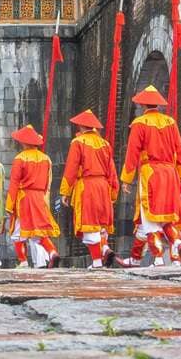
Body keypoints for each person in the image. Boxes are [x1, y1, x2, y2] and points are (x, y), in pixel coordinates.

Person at [119, 85, 181, 268]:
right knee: (167, 217)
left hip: (150, 173)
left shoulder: (139, 123)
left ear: (143, 104)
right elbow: (180, 150)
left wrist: (127, 179)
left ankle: (158, 259)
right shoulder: (170, 122)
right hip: (170, 173)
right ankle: (177, 243)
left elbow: (132, 153)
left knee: (150, 220)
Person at [59, 109, 118, 269]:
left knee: (89, 224)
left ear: (81, 126)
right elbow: (112, 170)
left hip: (87, 186)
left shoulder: (78, 142)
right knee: (101, 224)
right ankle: (104, 248)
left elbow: (71, 168)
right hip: (103, 185)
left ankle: (97, 261)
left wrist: (65, 191)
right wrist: (113, 190)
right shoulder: (105, 144)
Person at [5, 125, 61, 269]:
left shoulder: (20, 158)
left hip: (25, 198)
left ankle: (23, 261)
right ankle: (52, 251)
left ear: (23, 142)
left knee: (18, 231)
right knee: (38, 230)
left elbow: (14, 184)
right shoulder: (46, 159)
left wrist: (9, 206)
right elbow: (48, 181)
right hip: (40, 197)